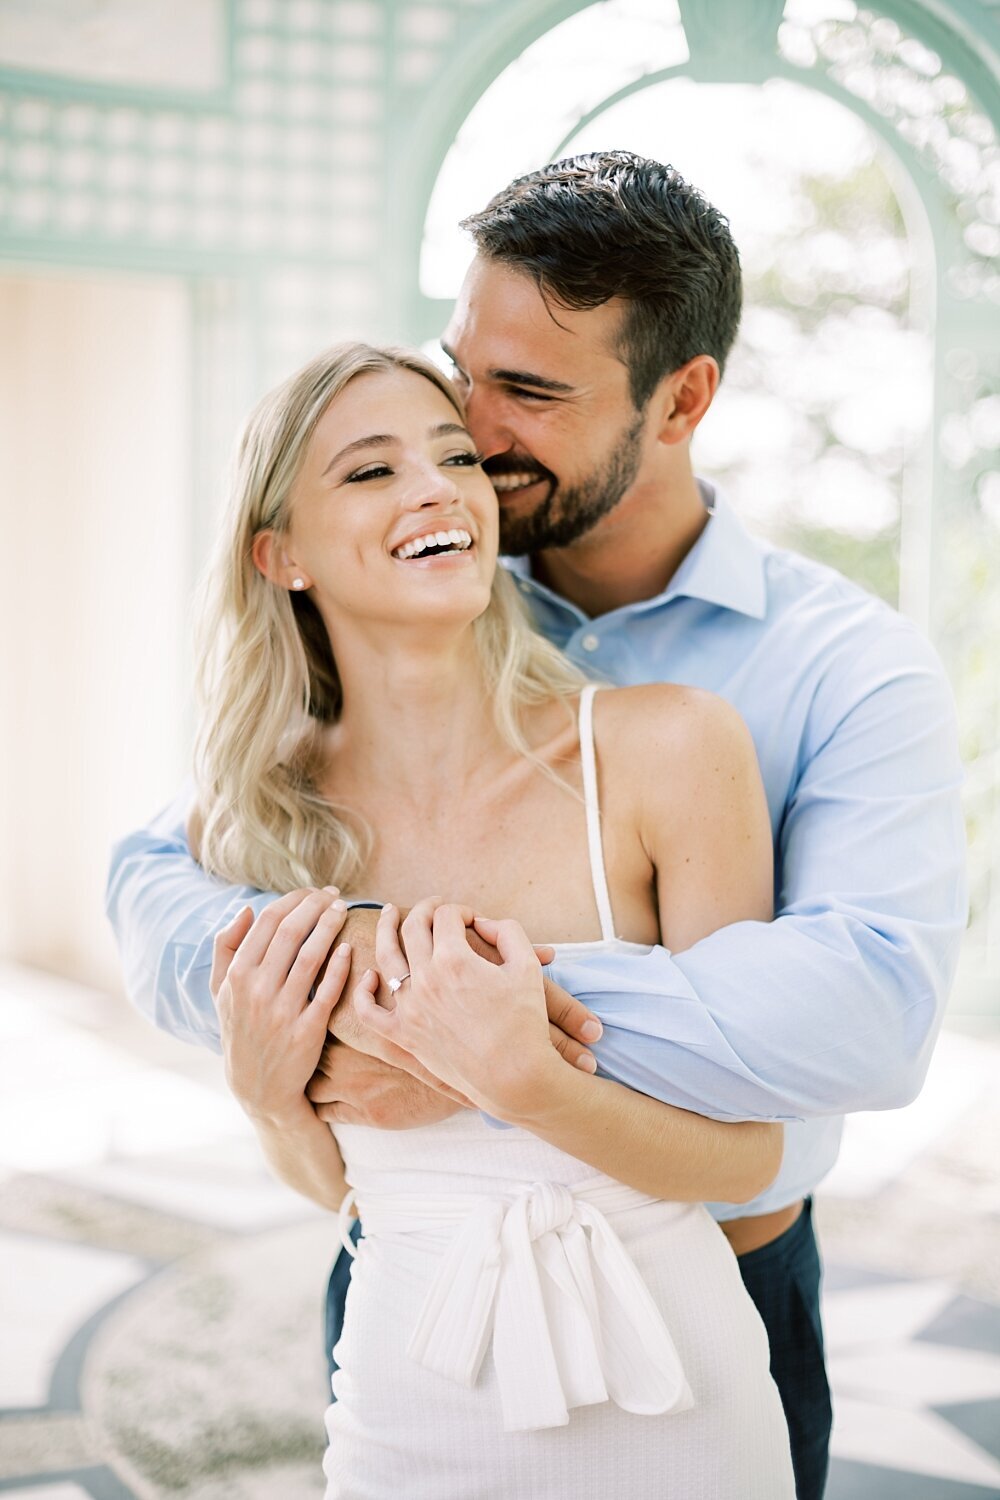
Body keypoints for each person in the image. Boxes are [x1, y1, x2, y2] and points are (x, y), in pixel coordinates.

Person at [106, 152, 967, 1500]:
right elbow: (165, 878)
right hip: (408, 1292)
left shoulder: (832, 674)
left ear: (683, 400)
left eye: (527, 396)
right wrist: (301, 1019)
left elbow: (862, 1018)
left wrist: (467, 1018)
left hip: (714, 1282)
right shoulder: (410, 581)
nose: (471, 429)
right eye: (466, 371)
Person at [190, 338, 796, 1496]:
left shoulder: (669, 749)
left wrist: (527, 1083)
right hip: (406, 1399)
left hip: (673, 1397)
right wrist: (263, 1096)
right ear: (280, 554)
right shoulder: (260, 821)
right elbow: (350, 1188)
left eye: (454, 456)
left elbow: (751, 1155)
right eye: (369, 472)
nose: (436, 488)